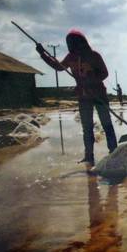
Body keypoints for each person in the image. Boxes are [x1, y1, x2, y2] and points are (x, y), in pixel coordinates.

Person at [36, 29, 117, 165]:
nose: (74, 45)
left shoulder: (94, 56)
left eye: (76, 42)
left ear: (82, 42)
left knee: (106, 124)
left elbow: (104, 73)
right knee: (87, 127)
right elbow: (58, 66)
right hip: (83, 97)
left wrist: (90, 80)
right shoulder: (70, 57)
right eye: (71, 43)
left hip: (99, 95)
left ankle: (114, 152)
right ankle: (89, 155)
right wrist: (43, 54)